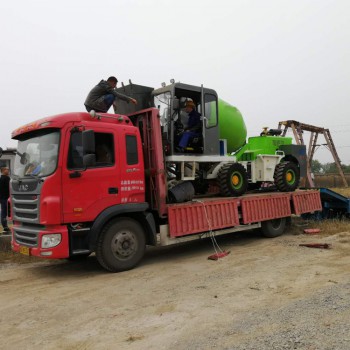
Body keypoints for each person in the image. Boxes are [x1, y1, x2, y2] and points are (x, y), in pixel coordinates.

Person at [0, 167, 10, 234]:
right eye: (7, 169)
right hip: (5, 198)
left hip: (3, 198)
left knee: (4, 212)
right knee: (4, 212)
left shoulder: (2, 178)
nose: (8, 170)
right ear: (3, 170)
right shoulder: (6, 178)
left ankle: (5, 226)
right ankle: (5, 226)